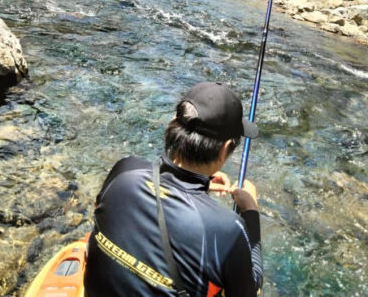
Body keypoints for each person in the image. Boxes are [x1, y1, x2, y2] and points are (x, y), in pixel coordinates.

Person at [84, 82, 263, 296]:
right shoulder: (228, 228)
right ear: (225, 149)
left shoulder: (124, 169)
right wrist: (250, 213)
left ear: (172, 125)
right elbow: (251, 287)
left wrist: (201, 183)